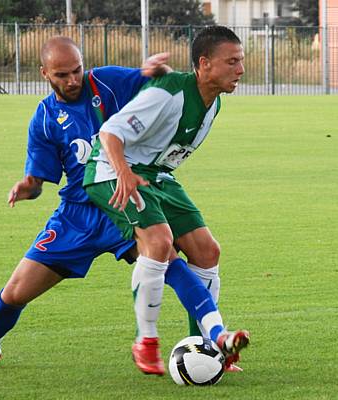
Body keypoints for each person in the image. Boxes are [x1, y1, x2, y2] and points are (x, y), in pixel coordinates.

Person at [0, 36, 242, 375]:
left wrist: (156, 69)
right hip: (75, 217)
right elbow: (39, 182)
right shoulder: (45, 117)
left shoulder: (107, 82)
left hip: (121, 198)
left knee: (169, 259)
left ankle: (209, 344)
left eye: (77, 71)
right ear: (45, 74)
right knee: (15, 293)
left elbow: (159, 84)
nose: (72, 80)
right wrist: (27, 187)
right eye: (62, 75)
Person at [83, 26, 250, 373]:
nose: (241, 69)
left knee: (207, 250)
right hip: (112, 171)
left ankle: (206, 346)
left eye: (241, 61)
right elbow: (110, 132)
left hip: (156, 175)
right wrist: (125, 174)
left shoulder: (213, 103)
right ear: (204, 64)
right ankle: (146, 342)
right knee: (158, 242)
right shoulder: (167, 92)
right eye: (232, 62)